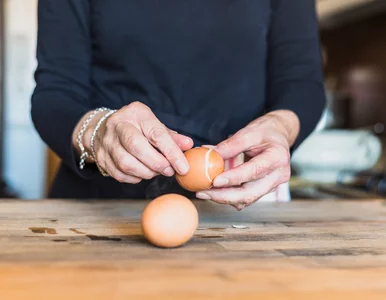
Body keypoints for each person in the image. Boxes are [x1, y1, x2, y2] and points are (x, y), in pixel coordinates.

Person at [31, 0, 326, 210]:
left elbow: (302, 85)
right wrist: (98, 131)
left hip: (242, 206)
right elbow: (55, 93)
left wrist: (281, 127)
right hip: (102, 207)